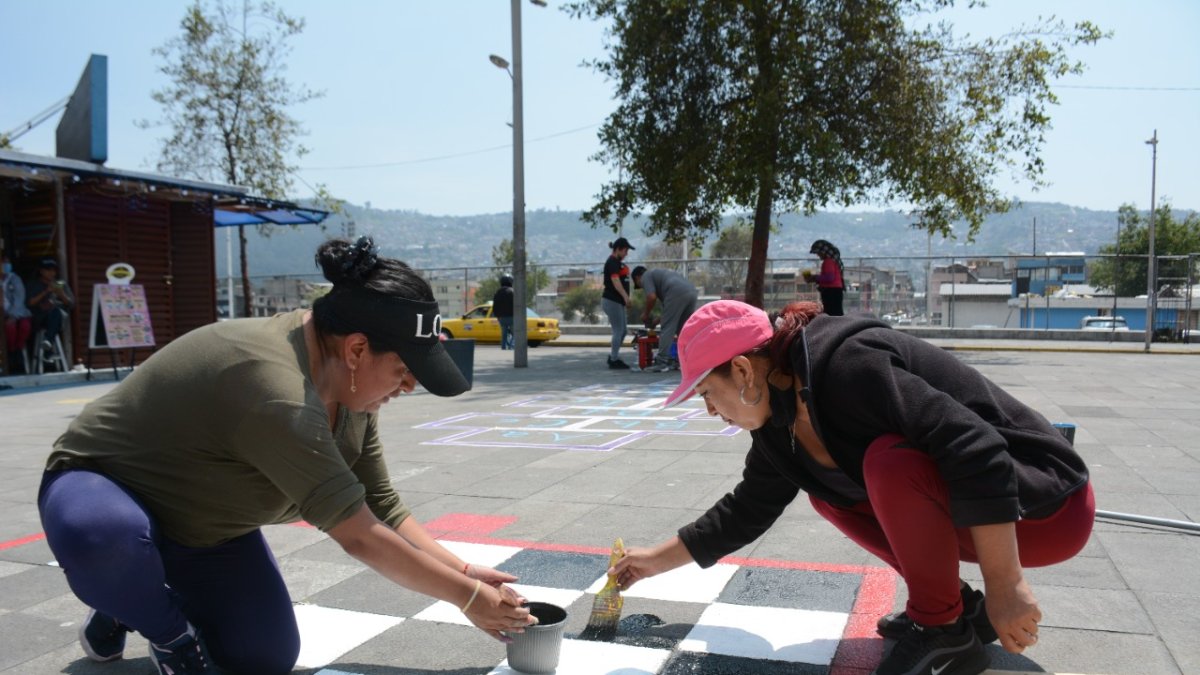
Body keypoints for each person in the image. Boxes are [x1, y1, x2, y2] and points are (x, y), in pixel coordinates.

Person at [37, 237, 536, 675]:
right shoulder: (276, 389)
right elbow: (360, 536)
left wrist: (465, 572)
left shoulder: (348, 385)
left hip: (204, 529)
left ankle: (130, 598)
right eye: (406, 368)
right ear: (358, 349)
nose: (409, 386)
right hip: (99, 489)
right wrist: (468, 600)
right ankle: (164, 632)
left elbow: (380, 502)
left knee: (263, 656)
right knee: (104, 538)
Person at [609, 300, 1094, 675]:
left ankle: (942, 630)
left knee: (887, 465)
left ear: (741, 370)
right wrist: (653, 560)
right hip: (989, 509)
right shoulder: (778, 425)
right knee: (828, 493)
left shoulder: (846, 365)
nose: (711, 411)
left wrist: (1006, 586)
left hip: (1047, 503)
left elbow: (976, 448)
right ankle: (959, 609)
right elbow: (745, 511)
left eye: (707, 394)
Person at [630, 265, 698, 372]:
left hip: (676, 292)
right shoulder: (661, 275)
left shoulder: (646, 276)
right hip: (691, 291)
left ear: (637, 278)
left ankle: (662, 362)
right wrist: (655, 322)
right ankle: (689, 360)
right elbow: (668, 312)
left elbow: (651, 297)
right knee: (684, 330)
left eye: (640, 285)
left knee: (667, 328)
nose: (643, 288)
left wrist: (645, 314)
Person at [25, 256, 75, 359]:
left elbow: (71, 304)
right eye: (48, 270)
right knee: (55, 313)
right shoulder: (33, 284)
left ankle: (48, 342)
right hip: (40, 318)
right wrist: (46, 292)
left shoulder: (60, 283)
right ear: (41, 271)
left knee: (57, 312)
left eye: (53, 270)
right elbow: (29, 302)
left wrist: (61, 294)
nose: (51, 273)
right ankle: (48, 344)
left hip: (59, 319)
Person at [601, 236, 635, 369]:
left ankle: (614, 356)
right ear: (618, 249)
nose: (626, 254)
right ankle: (614, 359)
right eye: (625, 250)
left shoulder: (617, 262)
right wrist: (626, 297)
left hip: (617, 301)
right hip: (612, 300)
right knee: (618, 330)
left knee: (623, 331)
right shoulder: (612, 262)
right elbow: (616, 282)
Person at [2, 252, 33, 374]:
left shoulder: (15, 279)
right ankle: (11, 355)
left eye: (7, 262)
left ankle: (18, 353)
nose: (6, 265)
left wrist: (13, 315)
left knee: (25, 326)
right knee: (10, 328)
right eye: (3, 262)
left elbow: (19, 299)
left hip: (18, 313)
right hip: (2, 316)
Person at [805, 239, 845, 316]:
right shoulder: (833, 261)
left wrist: (815, 278)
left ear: (823, 252)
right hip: (835, 291)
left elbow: (829, 278)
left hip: (831, 291)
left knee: (832, 313)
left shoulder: (828, 262)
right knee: (836, 312)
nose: (818, 255)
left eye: (818, 253)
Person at [492, 273, 516, 350]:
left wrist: (497, 316)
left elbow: (495, 306)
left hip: (501, 317)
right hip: (512, 316)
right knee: (514, 333)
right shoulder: (512, 292)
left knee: (504, 333)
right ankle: (512, 346)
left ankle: (503, 347)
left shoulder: (497, 292)